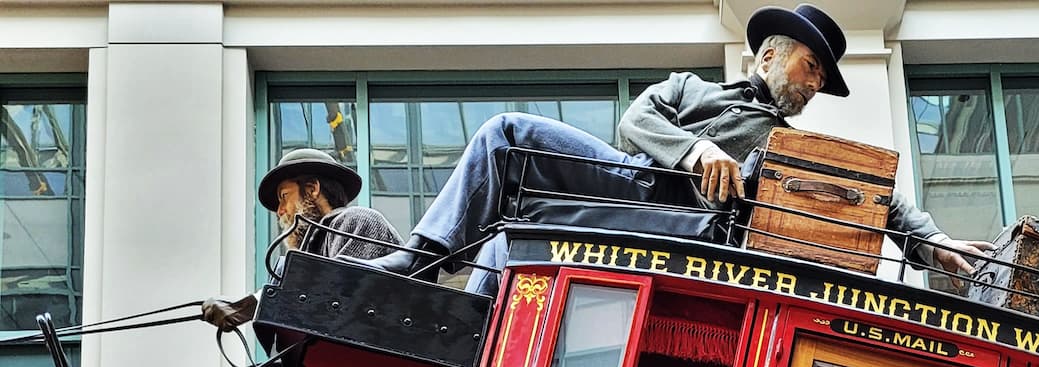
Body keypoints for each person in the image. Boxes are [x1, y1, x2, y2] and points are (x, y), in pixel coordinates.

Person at [373, 4, 991, 292]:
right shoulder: (689, 87)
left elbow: (875, 196)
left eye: (821, 81)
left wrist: (932, 240)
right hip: (632, 181)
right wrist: (697, 152)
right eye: (810, 68)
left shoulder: (791, 145)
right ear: (769, 56)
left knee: (515, 233)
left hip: (690, 223)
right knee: (507, 135)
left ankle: (462, 309)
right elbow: (636, 120)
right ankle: (422, 263)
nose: (813, 85)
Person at [201, 147, 400, 332]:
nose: (279, 211)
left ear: (312, 189)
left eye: (284, 196)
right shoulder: (313, 253)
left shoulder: (357, 219)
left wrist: (246, 306)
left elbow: (338, 297)